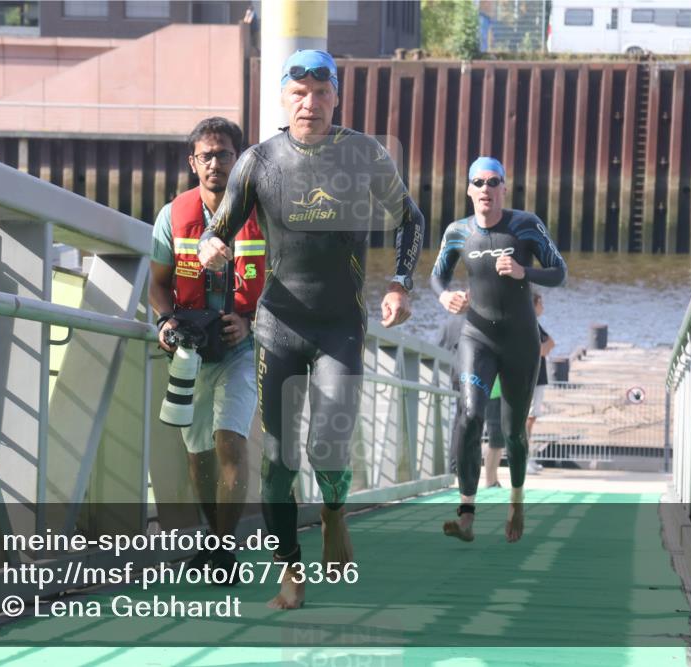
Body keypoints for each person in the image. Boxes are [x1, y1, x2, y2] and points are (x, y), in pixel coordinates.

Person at [197, 49, 424, 609]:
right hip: (278, 324)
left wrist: (399, 283)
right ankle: (289, 573)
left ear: (336, 97)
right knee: (278, 459)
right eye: (298, 93)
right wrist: (211, 248)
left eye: (321, 93)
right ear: (282, 98)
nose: (310, 103)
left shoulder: (364, 155)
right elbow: (217, 227)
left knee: (329, 444)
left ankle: (333, 511)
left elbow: (410, 220)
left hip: (341, 325)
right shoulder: (259, 161)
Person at [148, 117, 264, 582]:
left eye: (225, 154)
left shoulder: (263, 214)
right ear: (193, 162)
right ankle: (214, 545)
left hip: (244, 347)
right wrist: (165, 319)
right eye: (207, 155)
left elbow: (284, 282)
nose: (216, 163)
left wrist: (249, 319)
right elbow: (157, 284)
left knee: (229, 440)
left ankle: (224, 553)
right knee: (197, 454)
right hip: (191, 352)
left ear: (240, 160)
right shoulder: (172, 216)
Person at [431, 156, 566, 544]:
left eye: (494, 182)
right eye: (479, 182)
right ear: (469, 190)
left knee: (513, 432)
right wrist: (445, 298)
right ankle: (466, 512)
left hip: (520, 339)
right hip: (477, 335)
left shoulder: (525, 225)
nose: (486, 189)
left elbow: (559, 270)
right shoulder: (458, 232)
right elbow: (437, 277)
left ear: (504, 188)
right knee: (470, 415)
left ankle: (516, 503)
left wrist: (526, 272)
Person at [436, 311, 504, 488]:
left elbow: (439, 347)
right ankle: (469, 470)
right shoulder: (481, 319)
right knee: (475, 421)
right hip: (478, 377)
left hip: (456, 375)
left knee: (461, 421)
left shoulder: (448, 323)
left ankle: (455, 466)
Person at [526, 291, 555, 474]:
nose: (542, 307)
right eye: (540, 303)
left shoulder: (536, 324)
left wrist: (542, 348)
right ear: (533, 304)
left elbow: (551, 343)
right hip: (531, 378)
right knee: (527, 420)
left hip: (539, 377)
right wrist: (542, 348)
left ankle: (529, 457)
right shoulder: (527, 324)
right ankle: (524, 460)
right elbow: (540, 350)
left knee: (532, 419)